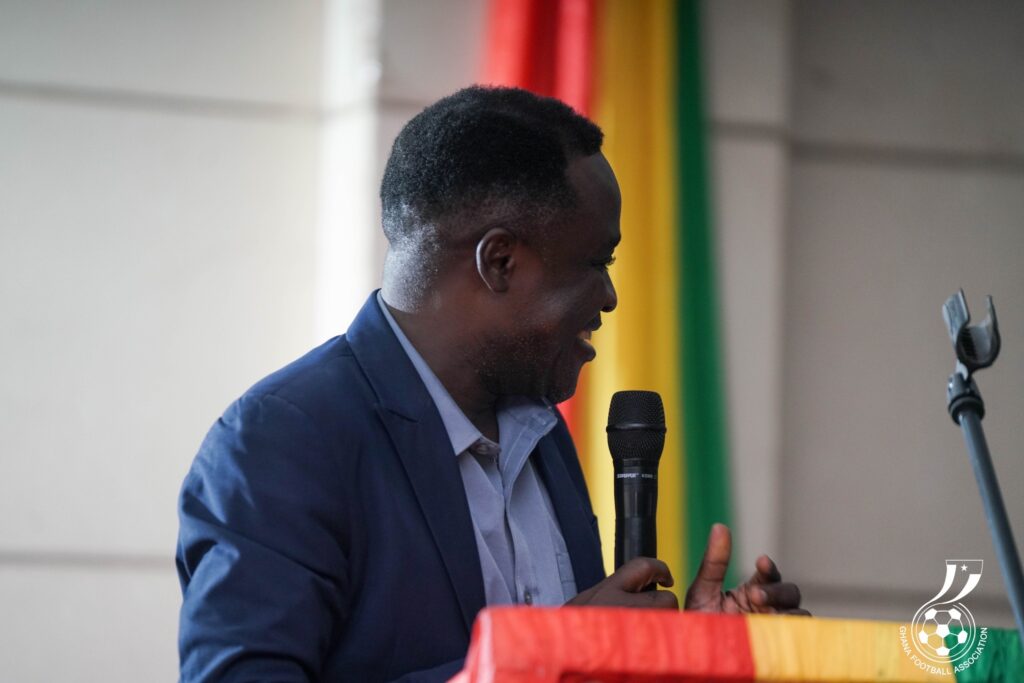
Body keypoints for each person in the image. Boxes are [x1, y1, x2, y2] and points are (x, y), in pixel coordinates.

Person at [176, 86, 806, 683]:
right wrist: (550, 657)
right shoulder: (281, 442)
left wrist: (683, 656)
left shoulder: (541, 432)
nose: (610, 296)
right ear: (500, 262)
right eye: (597, 262)